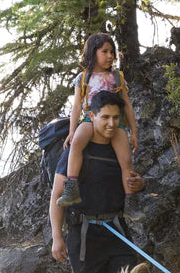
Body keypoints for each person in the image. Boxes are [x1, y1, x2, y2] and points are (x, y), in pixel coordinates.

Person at [48, 90, 146, 273]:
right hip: (85, 231)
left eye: (116, 118)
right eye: (105, 117)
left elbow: (132, 182)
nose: (112, 123)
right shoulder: (74, 151)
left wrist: (140, 184)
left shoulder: (119, 147)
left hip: (116, 227)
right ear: (92, 116)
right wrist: (57, 236)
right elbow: (57, 197)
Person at [56, 32, 138, 207]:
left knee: (126, 160)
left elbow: (127, 105)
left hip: (115, 122)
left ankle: (131, 202)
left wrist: (134, 132)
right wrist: (71, 131)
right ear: (93, 52)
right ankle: (72, 188)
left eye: (112, 52)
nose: (110, 56)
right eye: (105, 51)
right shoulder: (83, 78)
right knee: (77, 142)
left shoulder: (117, 77)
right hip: (90, 119)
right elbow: (77, 106)